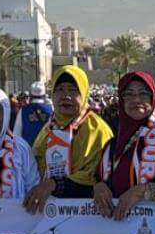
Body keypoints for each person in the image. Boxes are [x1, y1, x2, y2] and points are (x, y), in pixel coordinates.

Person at [92, 71, 155, 228]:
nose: (136, 100)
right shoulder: (111, 145)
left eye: (143, 94)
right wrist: (97, 186)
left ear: (153, 98)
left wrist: (142, 191)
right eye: (129, 94)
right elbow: (99, 179)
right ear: (121, 100)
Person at [25, 66, 113, 213]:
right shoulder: (49, 128)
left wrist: (54, 184)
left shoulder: (97, 129)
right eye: (60, 90)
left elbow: (95, 178)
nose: (66, 96)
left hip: (85, 214)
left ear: (84, 93)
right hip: (47, 211)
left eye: (73, 90)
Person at [13, 81, 52, 146]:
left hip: (28, 151)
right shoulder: (51, 109)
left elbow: (16, 134)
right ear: (44, 95)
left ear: (30, 95)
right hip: (45, 150)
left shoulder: (23, 110)